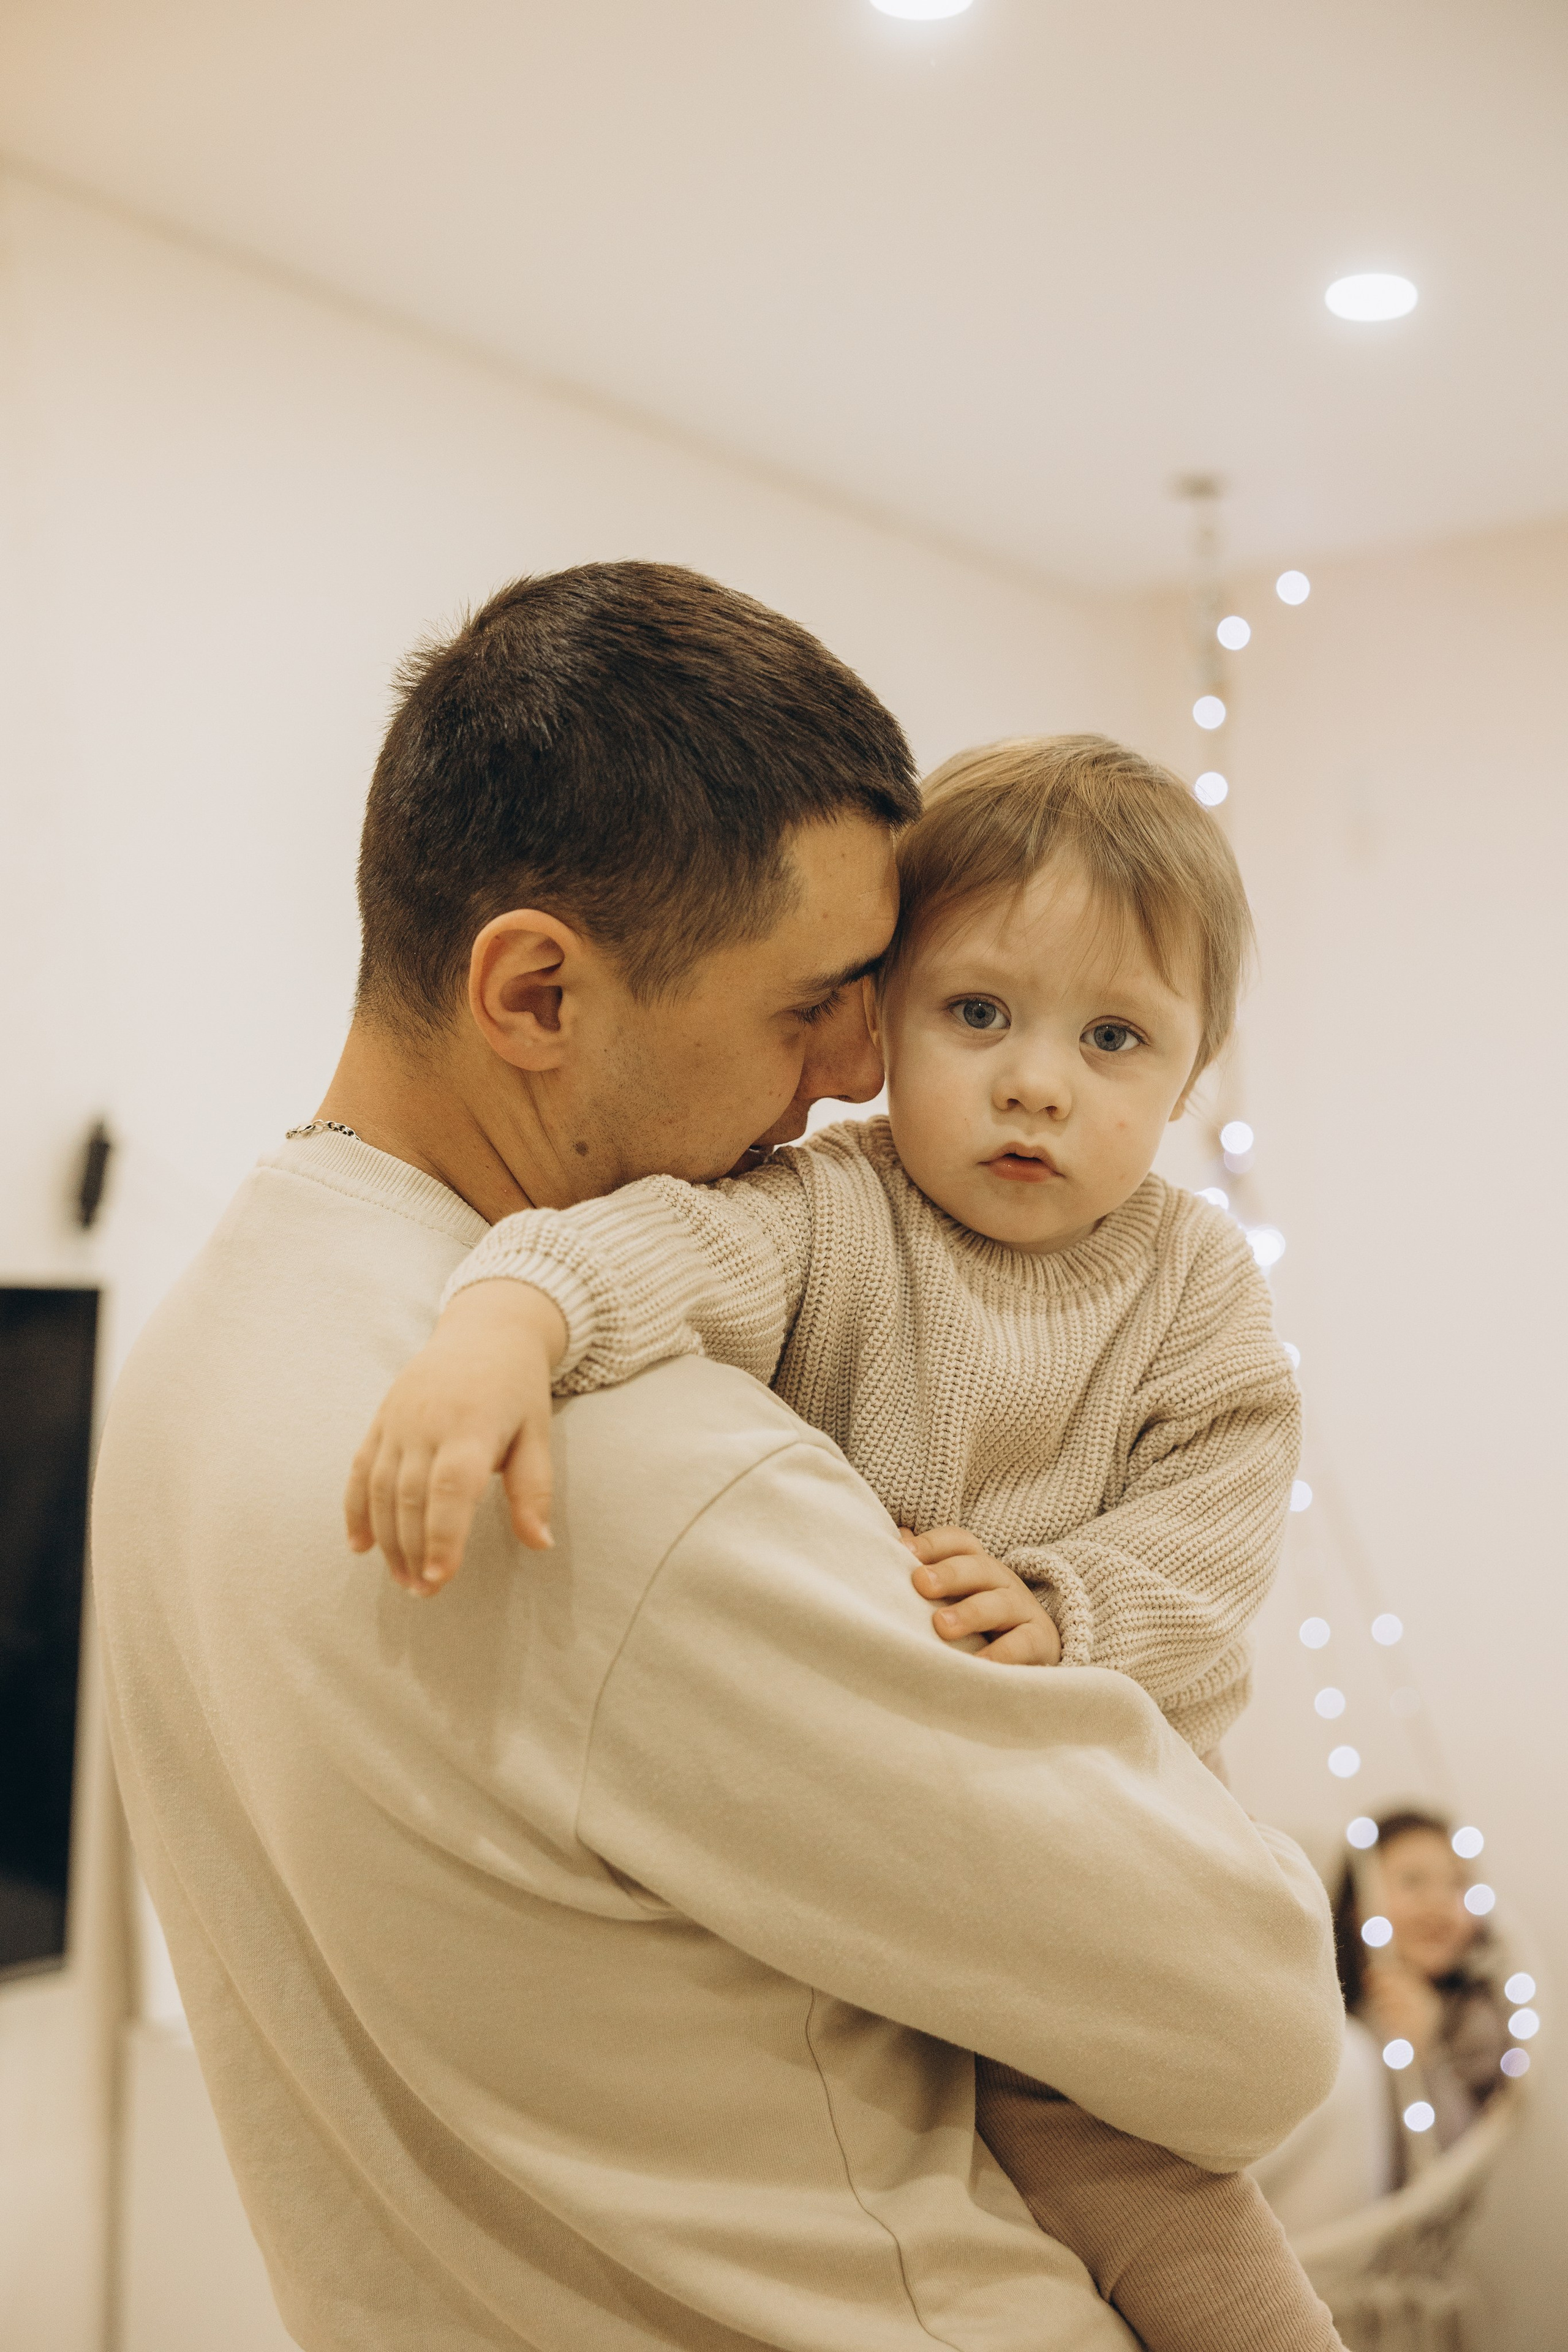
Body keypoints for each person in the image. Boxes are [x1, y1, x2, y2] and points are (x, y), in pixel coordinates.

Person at [93, 563, 1344, 2352]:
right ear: (533, 993)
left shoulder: (199, 1354)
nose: (853, 1072)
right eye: (815, 1002)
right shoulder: (631, 1471)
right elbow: (1251, 2020)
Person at [1336, 1810, 1512, 2166]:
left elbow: (1454, 2166)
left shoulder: (1475, 2022)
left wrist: (1424, 2054)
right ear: (1358, 1906)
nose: (1439, 1903)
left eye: (1458, 1885)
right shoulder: (1332, 1998)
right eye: (1414, 1882)